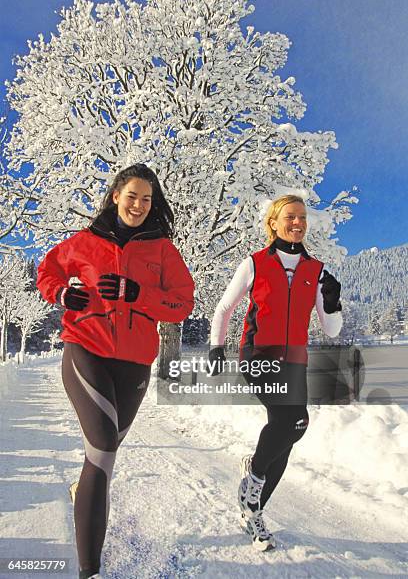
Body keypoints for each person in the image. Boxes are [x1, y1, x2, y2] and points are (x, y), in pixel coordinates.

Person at [37, 164, 194, 579]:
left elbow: (182, 303)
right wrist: (62, 293)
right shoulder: (83, 243)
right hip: (85, 347)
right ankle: (90, 571)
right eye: (132, 196)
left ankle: (83, 490)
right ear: (115, 196)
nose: (139, 205)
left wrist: (140, 295)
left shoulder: (162, 250)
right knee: (104, 443)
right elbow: (48, 272)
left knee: (101, 458)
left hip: (136, 362)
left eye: (147, 198)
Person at [208, 195, 342, 551]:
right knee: (292, 422)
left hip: (295, 361)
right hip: (258, 356)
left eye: (302, 217)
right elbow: (224, 308)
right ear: (274, 222)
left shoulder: (317, 271)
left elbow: (331, 330)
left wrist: (332, 301)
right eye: (289, 217)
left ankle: (254, 509)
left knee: (289, 431)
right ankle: (252, 478)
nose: (297, 223)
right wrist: (216, 347)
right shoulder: (254, 263)